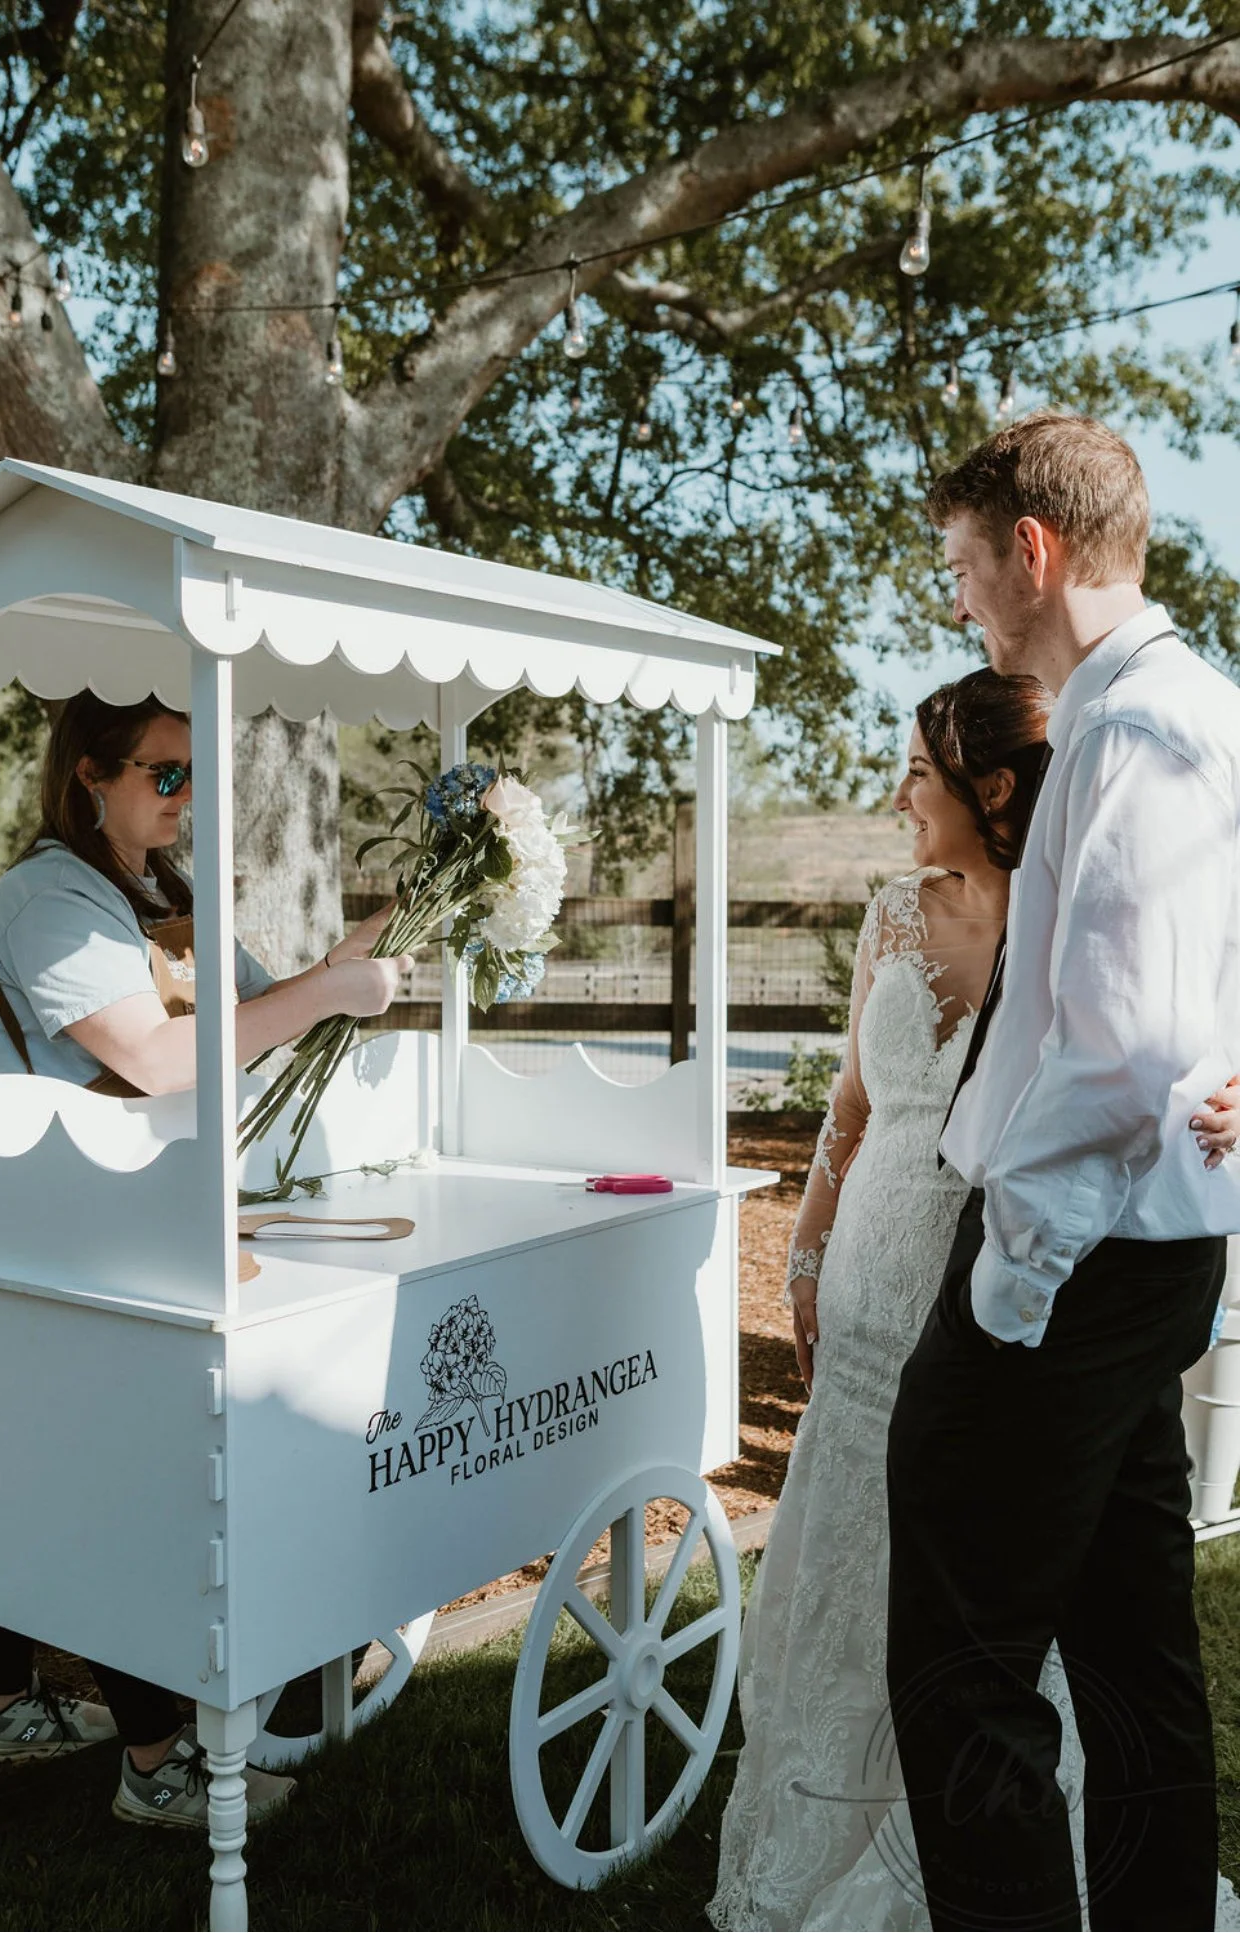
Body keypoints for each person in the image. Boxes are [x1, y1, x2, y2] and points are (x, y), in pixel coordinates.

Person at [707, 667, 1240, 1931]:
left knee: (980, 1603)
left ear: (991, 791)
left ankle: (961, 1870)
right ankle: (812, 1839)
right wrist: (800, 1256)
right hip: (865, 1283)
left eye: (919, 774)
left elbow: (1170, 1034)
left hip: (986, 1306)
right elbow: (849, 1108)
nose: (896, 793)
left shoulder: (1083, 926)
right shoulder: (895, 912)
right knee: (843, 1580)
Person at [885, 412, 1240, 1931]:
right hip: (1151, 1257)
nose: (961, 598)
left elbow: (1112, 1057)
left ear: (1032, 550)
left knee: (963, 1674)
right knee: (1131, 1646)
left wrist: (1010, 1288)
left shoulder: (1135, 729)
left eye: (963, 566)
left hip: (1075, 1268)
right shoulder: (1202, 707)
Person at [0, 689, 412, 1831]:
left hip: (140, 1213)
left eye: (193, 774)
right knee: (119, 1478)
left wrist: (352, 960)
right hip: (55, 1224)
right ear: (90, 779)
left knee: (55, 1469)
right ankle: (156, 1763)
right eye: (165, 774)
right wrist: (320, 993)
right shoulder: (45, 896)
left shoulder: (169, 890)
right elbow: (157, 1058)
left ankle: (2, 1701)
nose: (187, 796)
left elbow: (263, 1011)